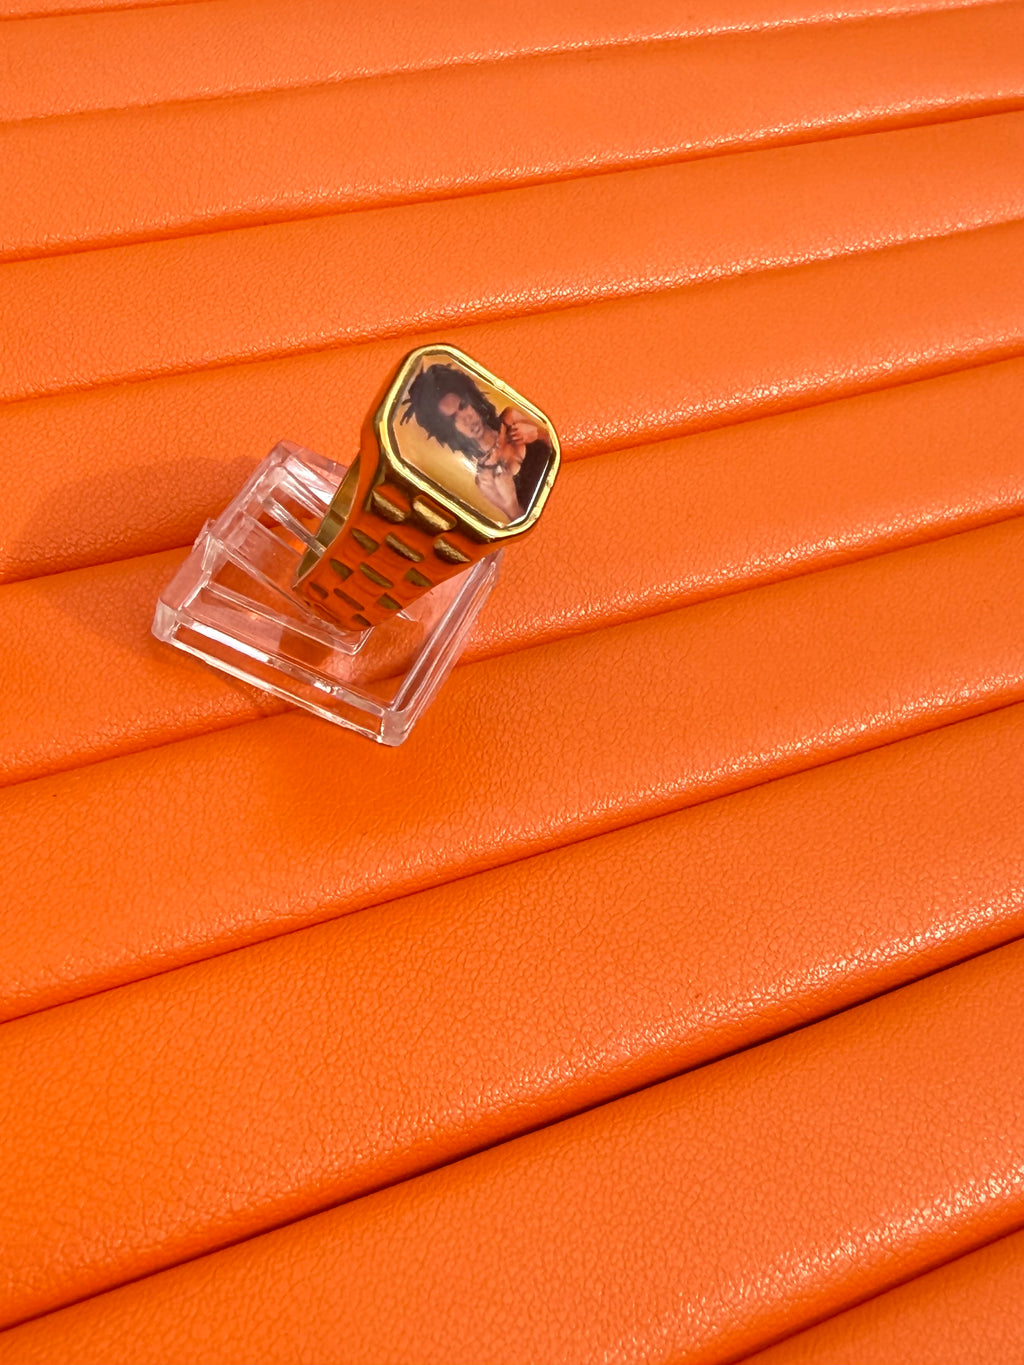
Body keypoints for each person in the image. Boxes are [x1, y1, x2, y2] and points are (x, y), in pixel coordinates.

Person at [400, 363, 551, 523]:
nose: (466, 419)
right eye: (453, 419)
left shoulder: (511, 418)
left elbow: (555, 444)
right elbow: (521, 520)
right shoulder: (485, 480)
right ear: (448, 431)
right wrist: (511, 503)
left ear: (472, 400)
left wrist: (538, 434)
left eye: (464, 406)